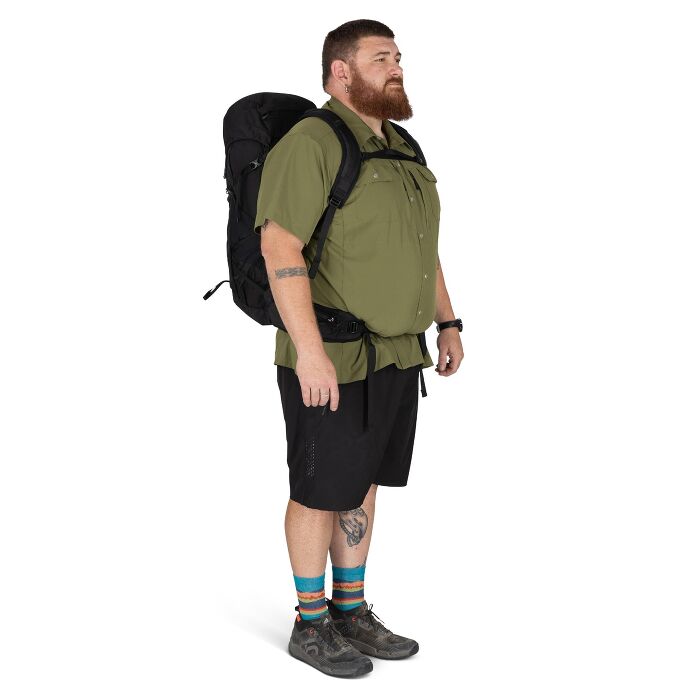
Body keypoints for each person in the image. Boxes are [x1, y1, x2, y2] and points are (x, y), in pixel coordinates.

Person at [253, 19, 464, 678]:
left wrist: (449, 322)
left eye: (397, 56)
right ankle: (309, 622)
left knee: (361, 481)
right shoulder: (312, 142)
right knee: (319, 489)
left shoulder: (403, 148)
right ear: (341, 71)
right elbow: (279, 246)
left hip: (399, 354)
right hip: (333, 357)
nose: (396, 66)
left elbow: (421, 248)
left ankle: (349, 609)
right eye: (380, 58)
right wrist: (308, 351)